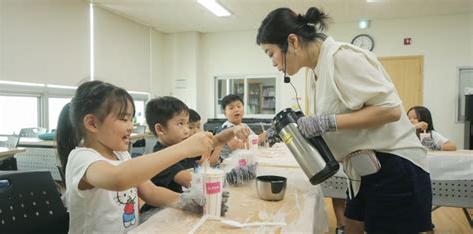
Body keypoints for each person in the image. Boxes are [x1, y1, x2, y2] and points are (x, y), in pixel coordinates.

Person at [258, 7, 432, 234]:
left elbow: (390, 111)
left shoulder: (342, 57)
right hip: (362, 170)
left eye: (271, 53)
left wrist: (327, 122)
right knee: (351, 227)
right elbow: (336, 120)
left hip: (394, 167)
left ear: (292, 41)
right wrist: (288, 132)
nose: (272, 62)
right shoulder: (315, 71)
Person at [56, 81, 216, 233]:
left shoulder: (121, 155)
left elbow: (152, 192)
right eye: (124, 119)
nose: (131, 126)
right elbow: (118, 178)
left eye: (131, 119)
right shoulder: (82, 158)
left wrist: (192, 202)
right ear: (92, 124)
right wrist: (184, 148)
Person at [141, 96, 250, 211]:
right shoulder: (162, 155)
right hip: (159, 213)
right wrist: (227, 178)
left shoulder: (184, 145)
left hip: (179, 206)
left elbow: (218, 140)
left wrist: (234, 130)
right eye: (180, 124)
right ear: (160, 129)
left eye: (187, 124)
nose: (187, 130)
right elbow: (192, 181)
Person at [214, 94, 266, 161]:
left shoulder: (244, 125)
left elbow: (254, 139)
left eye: (239, 106)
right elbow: (238, 148)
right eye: (231, 108)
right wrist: (259, 139)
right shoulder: (226, 128)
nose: (236, 110)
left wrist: (261, 137)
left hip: (244, 161)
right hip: (228, 164)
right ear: (225, 113)